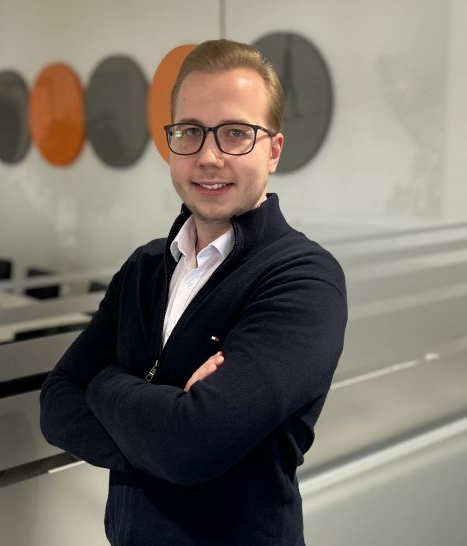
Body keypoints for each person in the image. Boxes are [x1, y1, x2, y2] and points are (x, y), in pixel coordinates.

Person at [40, 38, 347, 546]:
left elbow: (190, 447)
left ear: (273, 150)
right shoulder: (143, 268)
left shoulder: (303, 281)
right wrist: (165, 426)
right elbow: (56, 406)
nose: (208, 157)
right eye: (190, 132)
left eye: (235, 133)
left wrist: (106, 382)